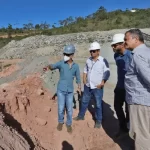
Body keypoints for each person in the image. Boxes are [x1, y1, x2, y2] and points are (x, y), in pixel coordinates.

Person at [43, 44, 81, 133]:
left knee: (69, 109)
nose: (65, 56)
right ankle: (60, 122)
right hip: (60, 90)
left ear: (72, 55)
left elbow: (78, 77)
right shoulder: (61, 63)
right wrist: (47, 67)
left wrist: (79, 87)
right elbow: (53, 66)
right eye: (64, 54)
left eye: (67, 54)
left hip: (70, 91)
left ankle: (68, 124)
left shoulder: (76, 66)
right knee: (60, 108)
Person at [74, 42, 110, 128]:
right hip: (88, 86)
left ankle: (98, 120)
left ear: (98, 51)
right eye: (91, 51)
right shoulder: (88, 60)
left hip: (97, 87)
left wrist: (102, 83)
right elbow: (85, 70)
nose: (92, 53)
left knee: (98, 104)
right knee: (84, 101)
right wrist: (84, 79)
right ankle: (81, 116)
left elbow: (107, 72)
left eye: (94, 51)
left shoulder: (103, 60)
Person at [124, 29, 150, 149]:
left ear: (135, 39)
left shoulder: (138, 55)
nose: (125, 42)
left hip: (140, 102)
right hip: (144, 101)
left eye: (126, 39)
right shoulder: (147, 52)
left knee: (142, 136)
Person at [111, 33, 133, 137]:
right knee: (117, 107)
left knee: (128, 109)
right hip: (119, 86)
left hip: (130, 88)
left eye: (114, 45)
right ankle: (123, 127)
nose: (113, 47)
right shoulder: (116, 56)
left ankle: (130, 128)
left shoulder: (131, 56)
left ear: (122, 44)